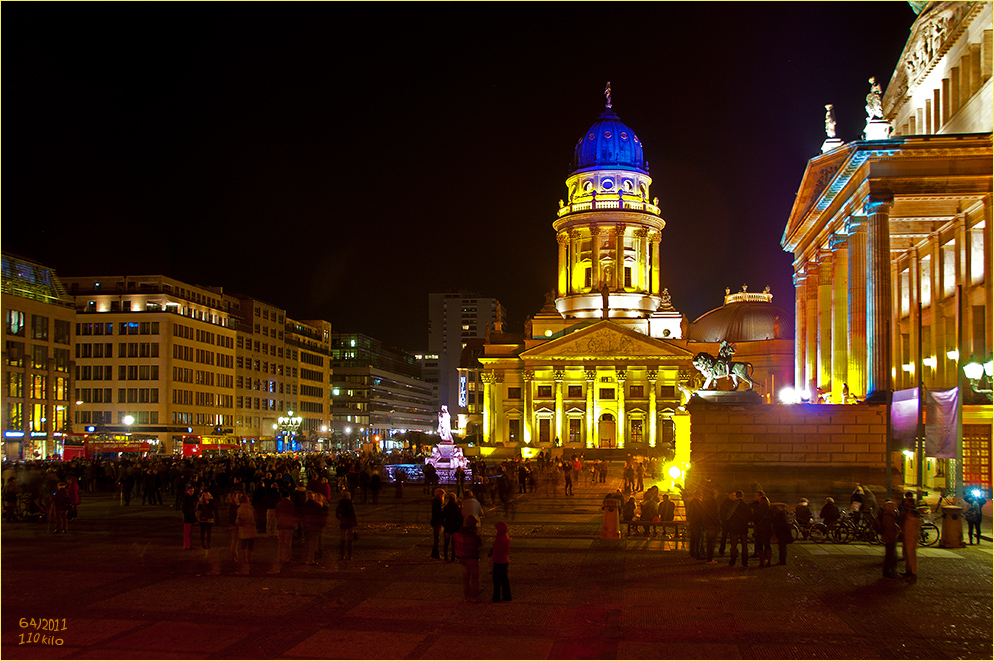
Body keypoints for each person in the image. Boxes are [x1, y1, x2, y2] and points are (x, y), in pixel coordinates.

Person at [454, 515, 483, 603]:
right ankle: (474, 597)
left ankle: (467, 597)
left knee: (466, 579)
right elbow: (478, 544)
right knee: (474, 579)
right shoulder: (473, 535)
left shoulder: (461, 532)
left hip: (463, 558)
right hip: (472, 559)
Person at [270, 490, 296, 572]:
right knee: (287, 543)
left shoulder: (278, 504)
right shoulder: (291, 504)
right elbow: (294, 514)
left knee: (281, 542)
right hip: (289, 526)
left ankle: (279, 557)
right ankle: (286, 558)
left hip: (281, 525)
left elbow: (276, 515)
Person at [898, 492, 922, 580]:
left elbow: (914, 525)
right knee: (908, 556)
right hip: (908, 536)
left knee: (911, 556)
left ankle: (913, 572)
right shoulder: (907, 511)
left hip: (911, 537)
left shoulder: (913, 514)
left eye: (908, 501)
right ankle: (909, 571)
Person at [876, 500, 901, 579]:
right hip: (890, 538)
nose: (895, 508)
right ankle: (888, 572)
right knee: (890, 556)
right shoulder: (888, 517)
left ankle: (889, 571)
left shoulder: (888, 515)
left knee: (890, 555)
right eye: (894, 507)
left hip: (889, 537)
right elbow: (890, 529)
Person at [726, 490, 751, 567]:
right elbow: (749, 517)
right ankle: (744, 561)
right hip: (743, 527)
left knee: (733, 545)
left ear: (736, 496)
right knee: (744, 544)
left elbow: (728, 517)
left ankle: (733, 560)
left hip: (734, 527)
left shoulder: (733, 506)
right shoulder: (746, 506)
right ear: (743, 496)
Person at [489, 521, 511, 602]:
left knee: (497, 580)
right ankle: (507, 596)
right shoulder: (505, 537)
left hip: (499, 561)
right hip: (504, 560)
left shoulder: (500, 538)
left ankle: (496, 597)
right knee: (504, 580)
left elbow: (499, 550)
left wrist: (494, 558)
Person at [235, 494, 257, 574]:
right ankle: (249, 557)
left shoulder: (240, 508)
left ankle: (245, 558)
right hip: (249, 528)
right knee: (250, 543)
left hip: (244, 529)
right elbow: (253, 517)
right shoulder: (249, 508)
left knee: (244, 544)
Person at [335, 490, 358, 560]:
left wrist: (341, 518)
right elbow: (353, 514)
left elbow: (337, 514)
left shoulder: (340, 504)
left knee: (342, 539)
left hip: (343, 522)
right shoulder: (350, 504)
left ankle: (342, 555)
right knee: (350, 539)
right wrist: (355, 523)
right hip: (350, 522)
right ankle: (350, 555)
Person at [441, 492, 462, 562]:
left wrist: (444, 524)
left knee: (446, 543)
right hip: (455, 526)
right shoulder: (456, 507)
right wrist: (459, 525)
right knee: (454, 543)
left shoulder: (446, 507)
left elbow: (442, 517)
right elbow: (460, 518)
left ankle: (446, 556)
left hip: (447, 526)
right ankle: (453, 557)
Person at [701, 489, 721, 564]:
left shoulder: (705, 502)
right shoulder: (714, 503)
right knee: (712, 542)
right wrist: (718, 523)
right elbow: (716, 514)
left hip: (707, 524)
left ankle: (708, 557)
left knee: (709, 541)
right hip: (713, 524)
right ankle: (710, 558)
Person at [754, 495, 774, 567]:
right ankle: (768, 561)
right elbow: (772, 520)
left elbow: (755, 520)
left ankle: (761, 562)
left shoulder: (757, 509)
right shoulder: (769, 510)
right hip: (768, 529)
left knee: (760, 546)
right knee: (767, 545)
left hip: (760, 529)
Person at [718, 491, 736, 556]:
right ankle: (722, 550)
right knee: (724, 537)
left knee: (731, 538)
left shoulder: (734, 503)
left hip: (731, 523)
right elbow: (722, 513)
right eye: (732, 495)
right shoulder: (726, 503)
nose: (733, 497)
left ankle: (732, 550)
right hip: (727, 522)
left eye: (734, 495)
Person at [181, 484, 198, 549]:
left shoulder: (192, 498)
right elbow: (184, 509)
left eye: (192, 491)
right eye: (190, 491)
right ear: (187, 491)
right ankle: (186, 545)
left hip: (191, 517)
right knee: (187, 532)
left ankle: (189, 544)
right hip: (187, 517)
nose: (191, 492)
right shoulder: (186, 499)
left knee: (190, 532)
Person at [430, 488, 444, 559]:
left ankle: (433, 553)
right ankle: (436, 554)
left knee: (436, 538)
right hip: (437, 521)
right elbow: (440, 512)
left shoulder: (434, 501)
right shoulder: (438, 502)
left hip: (434, 521)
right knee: (437, 539)